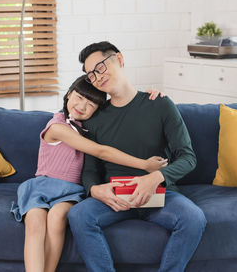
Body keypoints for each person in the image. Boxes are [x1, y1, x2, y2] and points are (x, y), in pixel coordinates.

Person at [67, 41, 207, 272]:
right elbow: (90, 168)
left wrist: (156, 177)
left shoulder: (159, 104)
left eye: (100, 67)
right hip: (116, 197)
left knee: (194, 218)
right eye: (91, 75)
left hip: (160, 194)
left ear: (119, 60)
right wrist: (94, 189)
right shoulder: (94, 119)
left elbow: (187, 157)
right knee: (79, 215)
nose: (97, 77)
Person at [10, 75, 167, 272]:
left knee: (58, 217)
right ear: (68, 95)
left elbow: (122, 103)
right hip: (41, 187)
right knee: (35, 222)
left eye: (91, 104)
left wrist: (149, 95)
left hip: (69, 191)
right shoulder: (57, 127)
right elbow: (101, 151)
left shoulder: (88, 128)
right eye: (79, 97)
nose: (82, 106)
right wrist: (144, 164)